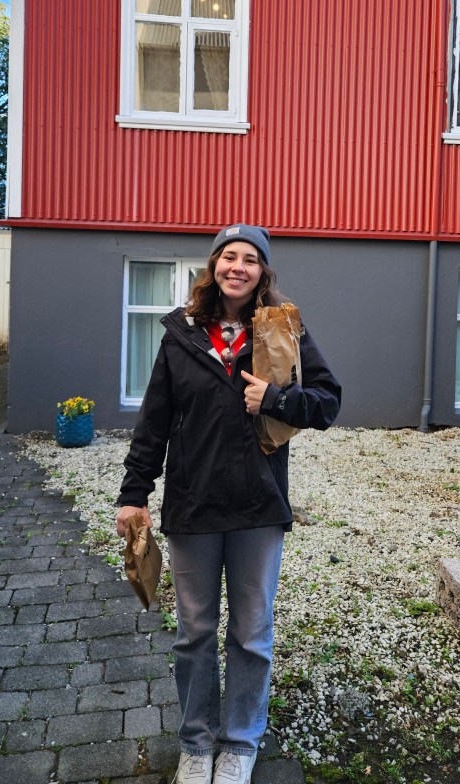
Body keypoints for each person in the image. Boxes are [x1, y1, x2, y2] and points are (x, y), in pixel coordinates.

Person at [116, 224, 341, 784]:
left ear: (263, 272)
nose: (238, 267)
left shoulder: (282, 328)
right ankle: (197, 744)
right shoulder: (181, 333)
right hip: (192, 505)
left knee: (251, 632)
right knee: (194, 632)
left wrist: (277, 398)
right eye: (229, 256)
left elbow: (327, 401)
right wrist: (134, 494)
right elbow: (154, 420)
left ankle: (239, 742)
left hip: (258, 506)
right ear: (214, 265)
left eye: (250, 259)